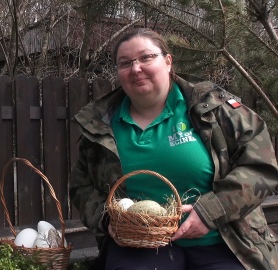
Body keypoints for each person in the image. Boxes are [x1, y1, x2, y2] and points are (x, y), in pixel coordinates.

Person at [70, 27, 278, 270]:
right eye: (125, 63)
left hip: (224, 239)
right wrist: (108, 220)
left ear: (168, 61)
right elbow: (80, 186)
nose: (136, 69)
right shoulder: (100, 124)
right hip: (139, 247)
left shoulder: (213, 108)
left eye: (146, 57)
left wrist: (211, 212)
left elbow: (262, 168)